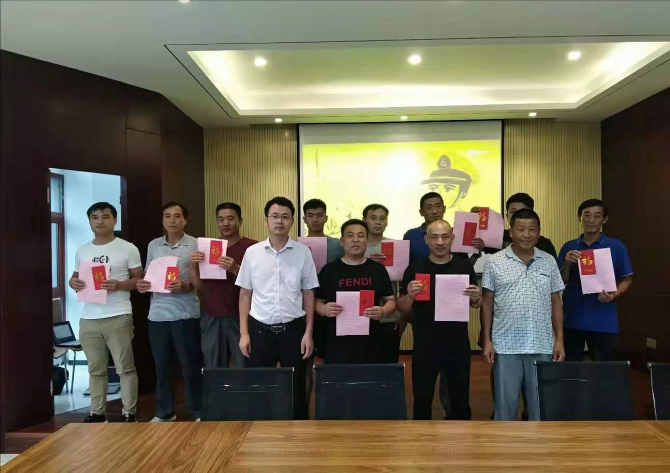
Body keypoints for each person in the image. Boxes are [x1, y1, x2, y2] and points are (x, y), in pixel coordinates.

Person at [236, 196, 319, 419]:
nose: (279, 221)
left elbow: (308, 293)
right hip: (259, 330)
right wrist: (244, 333)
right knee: (259, 387)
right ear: (266, 220)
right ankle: (260, 431)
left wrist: (308, 333)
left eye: (285, 217)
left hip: (293, 330)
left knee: (296, 387)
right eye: (274, 216)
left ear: (292, 221)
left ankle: (298, 429)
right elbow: (245, 294)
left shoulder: (303, 253)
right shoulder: (252, 253)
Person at [481, 209, 565, 421]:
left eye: (532, 230)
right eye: (521, 230)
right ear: (511, 232)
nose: (526, 235)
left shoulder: (548, 261)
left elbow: (556, 302)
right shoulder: (495, 261)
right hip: (505, 345)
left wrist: (559, 340)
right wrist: (487, 340)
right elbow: (487, 303)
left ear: (539, 232)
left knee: (540, 408)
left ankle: (537, 443)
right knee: (505, 408)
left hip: (541, 343)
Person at [398, 220, 482, 420]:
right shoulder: (415, 268)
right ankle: (422, 438)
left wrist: (476, 297)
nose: (440, 242)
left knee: (460, 399)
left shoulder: (464, 267)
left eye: (445, 237)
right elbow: (402, 308)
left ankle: (462, 437)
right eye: (434, 237)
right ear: (426, 239)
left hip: (457, 344)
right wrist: (410, 296)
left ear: (453, 238)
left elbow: (476, 303)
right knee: (422, 399)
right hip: (425, 345)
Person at [68, 202, 142, 423]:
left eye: (105, 217)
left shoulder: (128, 248)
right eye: (95, 217)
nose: (100, 221)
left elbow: (139, 280)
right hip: (89, 317)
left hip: (118, 315)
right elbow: (75, 278)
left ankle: (129, 413)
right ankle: (97, 412)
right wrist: (73, 283)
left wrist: (119, 285)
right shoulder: (83, 250)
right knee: (95, 369)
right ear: (90, 221)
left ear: (114, 220)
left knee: (124, 368)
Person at [136, 202, 201, 422]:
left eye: (177, 216)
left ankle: (197, 410)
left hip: (185, 314)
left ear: (185, 220)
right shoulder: (154, 245)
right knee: (161, 366)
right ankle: (164, 412)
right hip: (158, 315)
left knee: (190, 365)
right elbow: (148, 274)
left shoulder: (195, 244)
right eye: (167, 216)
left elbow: (200, 281)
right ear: (162, 220)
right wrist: (143, 284)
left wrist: (185, 286)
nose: (172, 220)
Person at [558, 199, 633, 361]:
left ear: (604, 219)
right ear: (579, 218)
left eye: (597, 216)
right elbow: (560, 281)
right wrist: (567, 263)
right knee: (570, 367)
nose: (591, 220)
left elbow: (627, 278)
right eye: (587, 215)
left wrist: (614, 295)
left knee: (603, 369)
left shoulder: (616, 246)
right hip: (572, 318)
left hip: (603, 319)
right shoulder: (569, 247)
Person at [315, 219, 396, 364]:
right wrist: (323, 309)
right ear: (342, 241)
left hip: (371, 341)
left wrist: (383, 311)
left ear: (367, 241)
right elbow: (316, 301)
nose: (355, 240)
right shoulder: (329, 270)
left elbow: (390, 300)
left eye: (360, 236)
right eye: (350, 235)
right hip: (336, 342)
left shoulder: (377, 269)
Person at [190, 203, 256, 369]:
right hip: (211, 315)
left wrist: (235, 269)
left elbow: (259, 283)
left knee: (244, 366)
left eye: (230, 219)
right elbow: (199, 286)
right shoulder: (208, 248)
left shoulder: (252, 248)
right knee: (214, 367)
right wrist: (193, 266)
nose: (225, 223)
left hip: (240, 317)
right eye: (221, 219)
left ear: (240, 221)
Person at [403, 192, 451, 416]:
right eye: (429, 207)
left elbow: (463, 266)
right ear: (421, 211)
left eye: (438, 206)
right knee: (424, 366)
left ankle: (451, 413)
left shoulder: (454, 234)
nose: (434, 210)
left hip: (451, 309)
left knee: (452, 375)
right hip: (421, 305)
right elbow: (403, 267)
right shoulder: (411, 236)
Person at [302, 198, 344, 398]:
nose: (315, 220)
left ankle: (331, 406)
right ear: (304, 219)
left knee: (332, 361)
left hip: (333, 309)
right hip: (303, 309)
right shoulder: (297, 245)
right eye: (310, 216)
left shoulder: (337, 244)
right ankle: (303, 409)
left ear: (326, 218)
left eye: (319, 215)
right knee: (305, 361)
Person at [363, 203, 404, 363]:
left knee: (388, 362)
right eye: (373, 218)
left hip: (389, 315)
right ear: (364, 220)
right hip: (362, 314)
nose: (378, 222)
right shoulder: (357, 246)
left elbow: (403, 281)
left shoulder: (396, 246)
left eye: (382, 218)